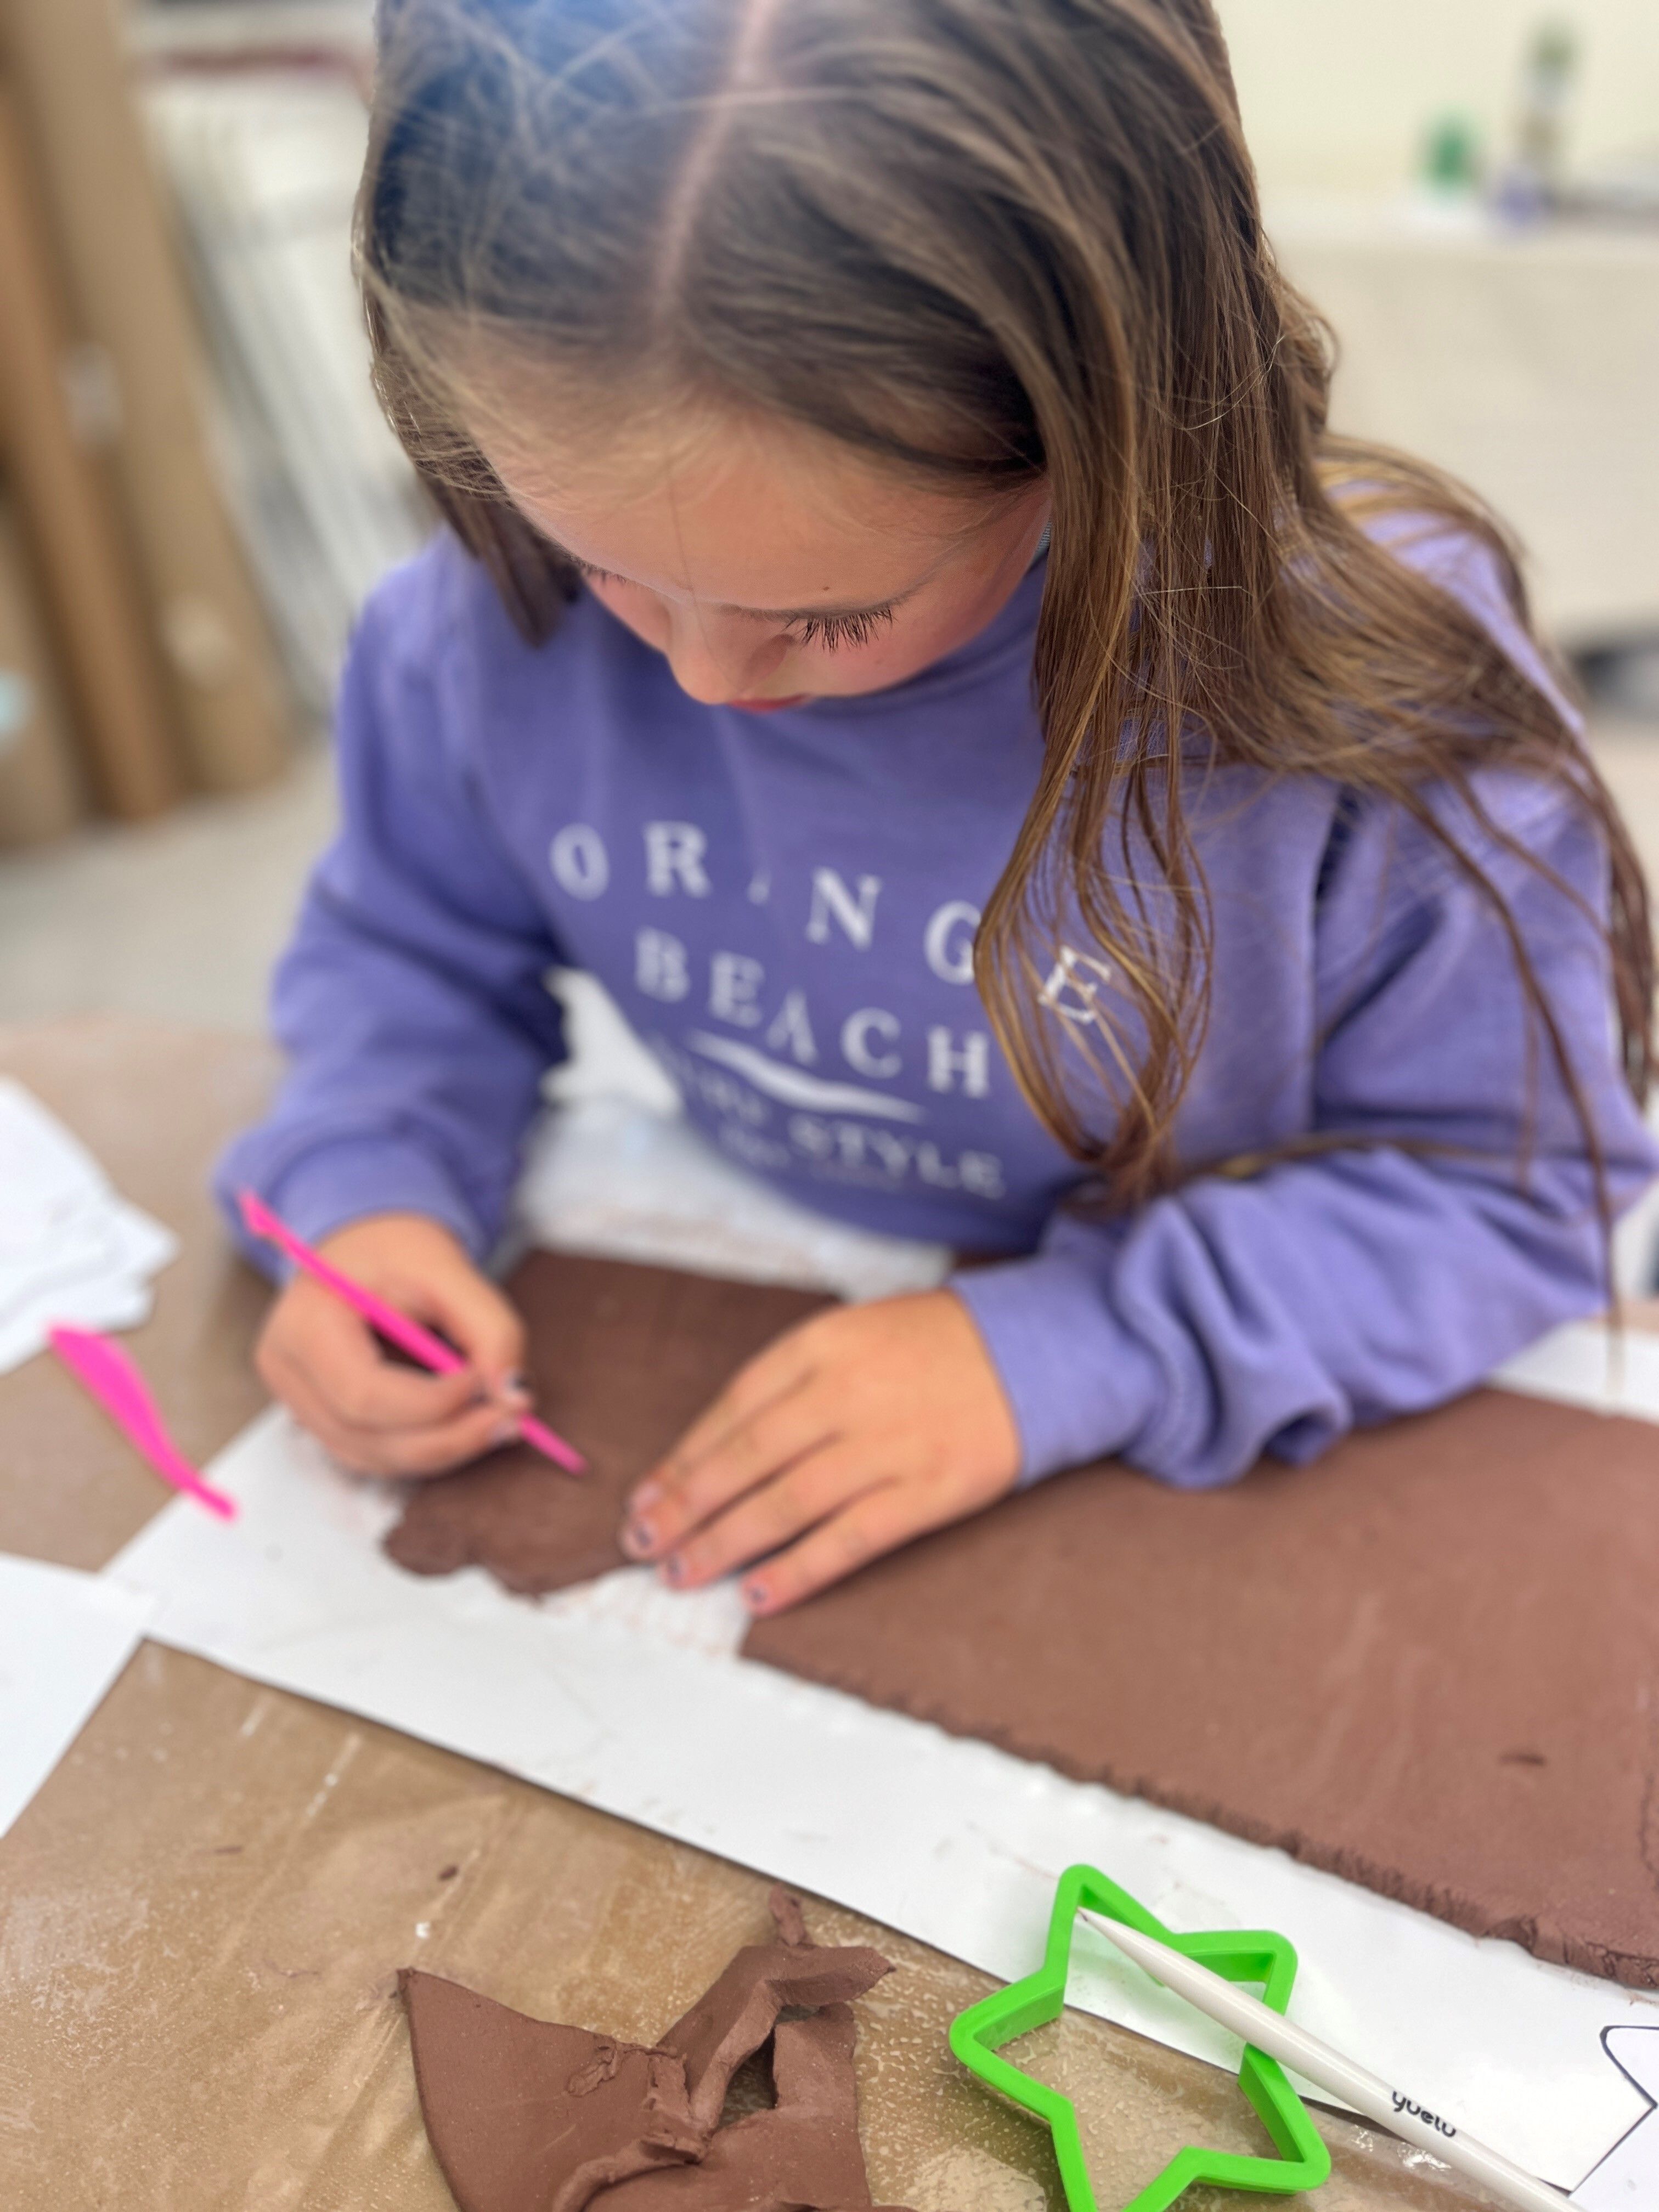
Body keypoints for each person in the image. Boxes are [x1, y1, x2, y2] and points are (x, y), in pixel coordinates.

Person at [220, 0, 1657, 1617]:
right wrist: (370, 1186)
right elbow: (413, 960)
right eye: (608, 563)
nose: (705, 685)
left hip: (1231, 1477)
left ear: (1097, 432)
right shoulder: (479, 627)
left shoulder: (1380, 719)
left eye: (830, 618)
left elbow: (1512, 1196)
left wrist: (1080, 1342)